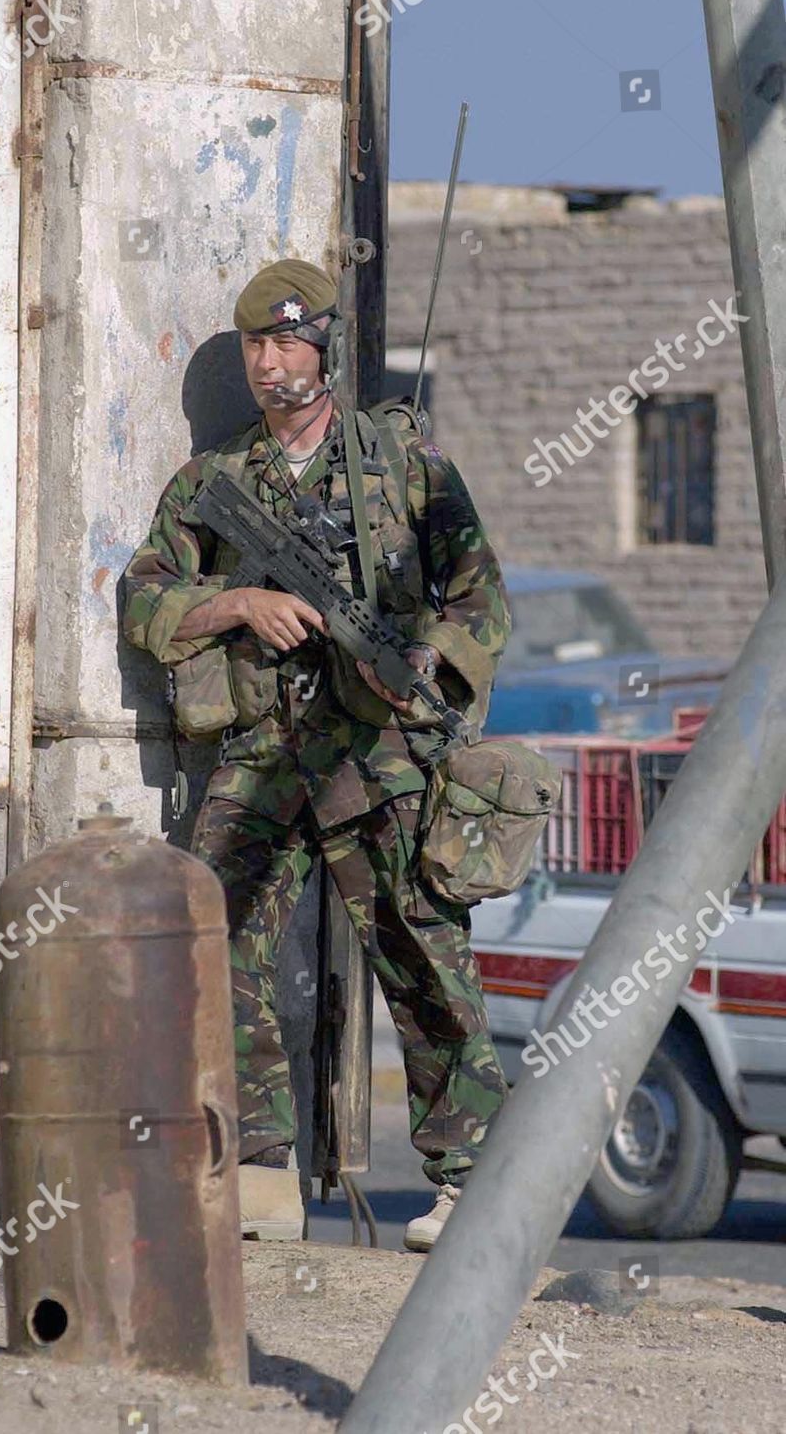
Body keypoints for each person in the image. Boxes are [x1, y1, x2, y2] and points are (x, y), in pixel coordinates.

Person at [122, 258, 511, 1251]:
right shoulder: (216, 482)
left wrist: (422, 657)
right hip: (259, 747)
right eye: (254, 343)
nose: (268, 360)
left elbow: (479, 596)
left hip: (372, 750)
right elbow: (144, 593)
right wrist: (236, 603)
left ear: (327, 347)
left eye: (287, 340)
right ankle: (256, 1174)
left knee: (418, 949)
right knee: (215, 945)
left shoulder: (403, 464)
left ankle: (473, 1184)